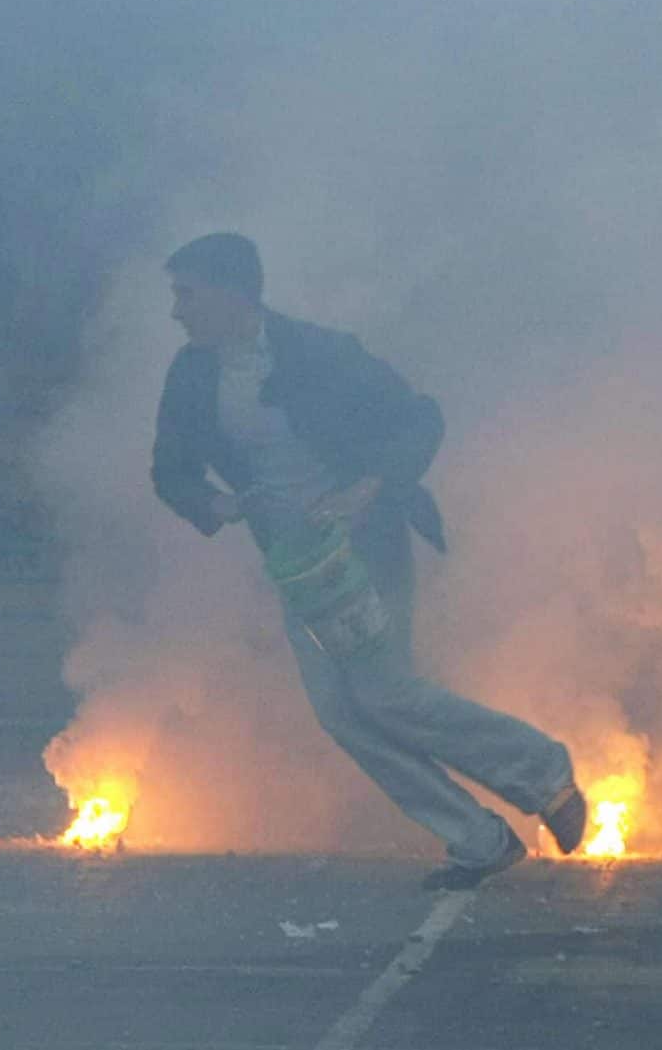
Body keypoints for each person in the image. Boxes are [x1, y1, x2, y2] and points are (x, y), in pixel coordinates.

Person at [149, 232, 588, 889]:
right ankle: (477, 838)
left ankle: (543, 770)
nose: (177, 311)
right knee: (340, 710)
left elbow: (418, 419)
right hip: (299, 563)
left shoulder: (319, 353)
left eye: (188, 293)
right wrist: (219, 504)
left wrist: (368, 488)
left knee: (383, 690)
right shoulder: (191, 374)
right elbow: (169, 471)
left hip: (364, 542)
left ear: (234, 292)